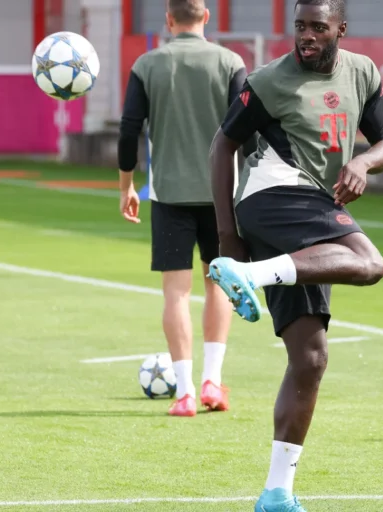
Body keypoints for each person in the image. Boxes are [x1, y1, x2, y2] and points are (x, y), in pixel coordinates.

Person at [206, 0, 383, 509]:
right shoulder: (268, 80)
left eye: (318, 26)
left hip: (310, 208)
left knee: (310, 358)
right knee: (369, 262)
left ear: (340, 28)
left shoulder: (362, 72)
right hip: (275, 196)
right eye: (300, 26)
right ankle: (249, 273)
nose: (307, 35)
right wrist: (228, 238)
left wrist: (363, 161)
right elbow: (222, 145)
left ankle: (277, 492)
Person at [117, 0, 252, 418]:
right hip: (221, 197)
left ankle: (186, 392)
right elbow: (247, 132)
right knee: (219, 286)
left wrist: (126, 187)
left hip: (169, 195)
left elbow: (128, 130)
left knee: (176, 293)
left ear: (169, 20)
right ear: (206, 17)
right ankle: (213, 379)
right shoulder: (231, 62)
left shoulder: (148, 64)